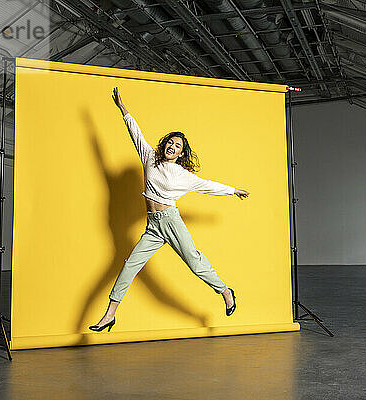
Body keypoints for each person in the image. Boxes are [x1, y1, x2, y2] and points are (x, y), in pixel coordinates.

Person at [89, 88, 250, 333]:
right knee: (129, 265)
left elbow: (207, 185)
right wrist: (123, 109)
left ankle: (226, 291)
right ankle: (109, 315)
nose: (172, 147)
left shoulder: (182, 175)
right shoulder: (149, 158)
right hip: (153, 226)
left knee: (194, 263)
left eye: (178, 146)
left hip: (171, 222)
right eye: (170, 143)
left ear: (182, 153)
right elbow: (135, 133)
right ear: (164, 144)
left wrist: (232, 190)